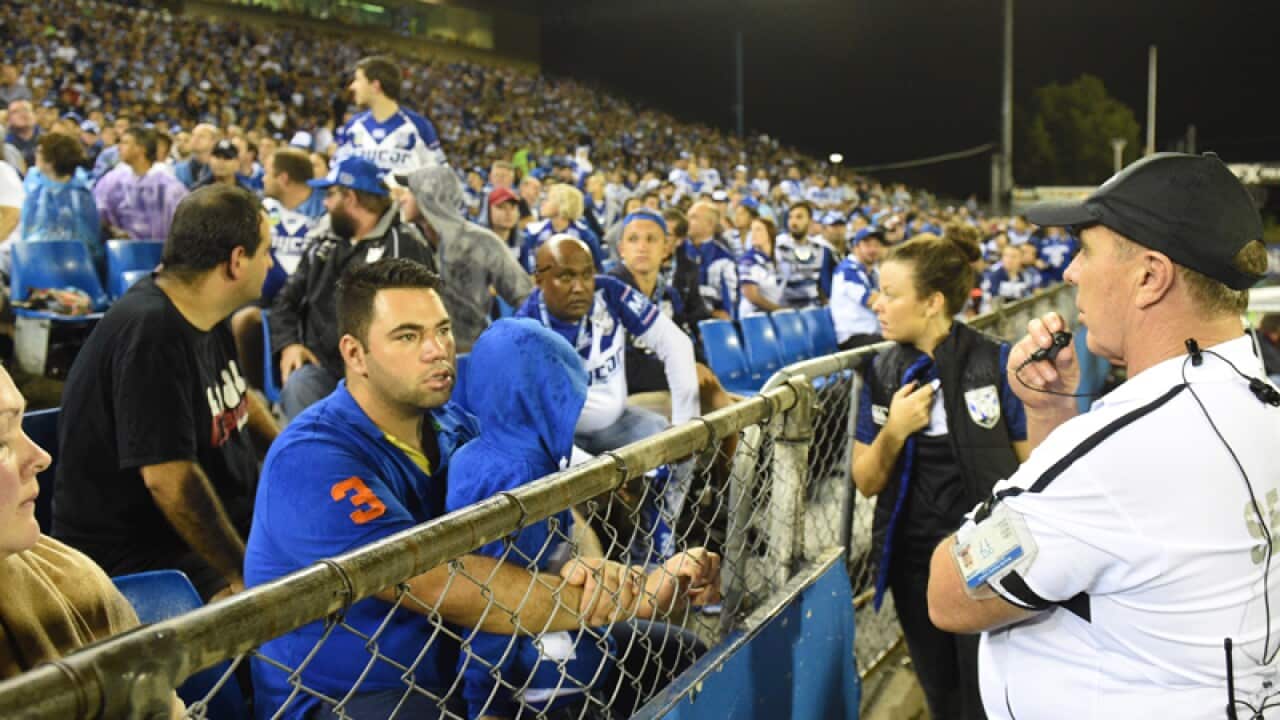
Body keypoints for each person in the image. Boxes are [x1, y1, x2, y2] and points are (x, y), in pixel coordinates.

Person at [244, 259, 720, 720]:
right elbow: (436, 580)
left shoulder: (456, 423)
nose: (437, 350)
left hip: (472, 654)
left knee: (678, 655)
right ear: (354, 354)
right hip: (353, 692)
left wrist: (581, 566)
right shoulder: (312, 456)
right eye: (408, 336)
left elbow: (550, 513)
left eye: (443, 330)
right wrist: (632, 596)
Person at [926, 152, 1280, 720]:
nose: (1070, 272)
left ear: (1149, 277)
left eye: (1086, 250)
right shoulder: (1257, 400)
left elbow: (951, 592)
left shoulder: (1124, 450)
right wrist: (1050, 414)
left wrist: (1056, 454)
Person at [447, 318, 714, 719]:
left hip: (534, 630)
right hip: (520, 672)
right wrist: (484, 701)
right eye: (563, 397)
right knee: (585, 659)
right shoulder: (519, 478)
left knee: (667, 648)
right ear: (543, 401)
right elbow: (492, 601)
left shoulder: (484, 453)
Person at [52, 185, 279, 602]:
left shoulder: (203, 308)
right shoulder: (151, 333)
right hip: (144, 552)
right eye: (266, 251)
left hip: (213, 523)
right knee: (278, 614)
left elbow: (239, 395)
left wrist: (287, 450)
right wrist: (241, 574)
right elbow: (170, 482)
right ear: (236, 262)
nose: (271, 263)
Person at [851, 231, 1029, 720]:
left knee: (989, 692)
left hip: (988, 561)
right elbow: (866, 481)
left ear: (932, 302)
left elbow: (1032, 465)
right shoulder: (883, 372)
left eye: (890, 293)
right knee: (940, 689)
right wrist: (894, 431)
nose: (876, 304)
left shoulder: (995, 362)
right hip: (914, 563)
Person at [269, 156, 435, 420]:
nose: (325, 203)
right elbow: (285, 302)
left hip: (382, 375)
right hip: (324, 369)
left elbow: (416, 323)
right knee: (300, 383)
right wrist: (289, 344)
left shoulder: (404, 245)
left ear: (351, 198)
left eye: (330, 195)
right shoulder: (324, 244)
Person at [517, 235, 699, 452]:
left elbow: (676, 343)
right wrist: (597, 469)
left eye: (587, 275)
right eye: (566, 277)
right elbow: (530, 427)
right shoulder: (522, 333)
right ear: (539, 280)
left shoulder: (609, 293)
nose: (579, 287)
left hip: (618, 424)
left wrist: (683, 425)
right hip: (560, 442)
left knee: (669, 443)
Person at [400, 165, 532, 353]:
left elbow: (525, 296)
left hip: (470, 354)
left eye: (410, 191)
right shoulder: (406, 242)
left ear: (429, 196)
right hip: (419, 356)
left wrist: (515, 346)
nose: (403, 198)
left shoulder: (480, 241)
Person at [334, 55, 446, 174]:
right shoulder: (353, 126)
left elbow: (441, 173)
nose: (352, 86)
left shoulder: (419, 126)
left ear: (375, 86)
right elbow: (337, 169)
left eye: (358, 80)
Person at [92, 126, 189, 242]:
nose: (118, 147)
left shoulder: (169, 187)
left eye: (125, 143)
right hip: (122, 248)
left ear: (141, 148)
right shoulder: (113, 180)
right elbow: (99, 211)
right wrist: (113, 230)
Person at [20, 133, 101, 263]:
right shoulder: (36, 194)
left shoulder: (80, 197)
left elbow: (89, 245)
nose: (36, 154)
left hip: (77, 265)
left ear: (50, 162)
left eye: (40, 152)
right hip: (37, 263)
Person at [519, 183, 605, 273]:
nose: (543, 203)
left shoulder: (586, 236)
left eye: (547, 199)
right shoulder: (533, 232)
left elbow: (597, 270)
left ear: (562, 204)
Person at [830, 226, 886, 349]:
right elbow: (871, 300)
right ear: (855, 248)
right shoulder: (847, 270)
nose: (873, 249)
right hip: (853, 337)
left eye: (876, 245)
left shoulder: (874, 271)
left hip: (873, 334)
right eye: (867, 245)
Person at [682, 200, 739, 320]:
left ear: (710, 224)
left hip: (708, 322)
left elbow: (728, 309)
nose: (686, 221)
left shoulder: (723, 258)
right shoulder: (674, 251)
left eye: (693, 217)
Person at [775, 201, 837, 309]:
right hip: (784, 309)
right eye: (790, 217)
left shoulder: (821, 249)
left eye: (799, 217)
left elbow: (824, 284)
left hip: (813, 309)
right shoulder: (777, 247)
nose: (793, 222)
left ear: (810, 222)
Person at [737, 216, 785, 317]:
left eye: (758, 229)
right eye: (752, 230)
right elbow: (751, 295)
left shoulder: (778, 259)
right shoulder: (748, 260)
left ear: (770, 233)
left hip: (773, 316)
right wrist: (779, 310)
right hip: (754, 317)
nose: (753, 234)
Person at [980, 243, 1042, 311]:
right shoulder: (993, 276)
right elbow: (993, 300)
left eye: (1013, 256)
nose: (1009, 260)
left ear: (1021, 259)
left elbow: (1029, 296)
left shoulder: (1024, 276)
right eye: (1006, 256)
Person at [173, 123, 218, 189]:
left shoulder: (220, 169)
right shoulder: (178, 169)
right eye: (193, 135)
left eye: (201, 136)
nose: (195, 139)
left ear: (213, 141)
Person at [6, 100, 39, 169]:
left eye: (26, 109)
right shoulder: (6, 145)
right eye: (15, 112)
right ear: (8, 120)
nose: (22, 114)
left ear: (35, 115)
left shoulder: (47, 138)